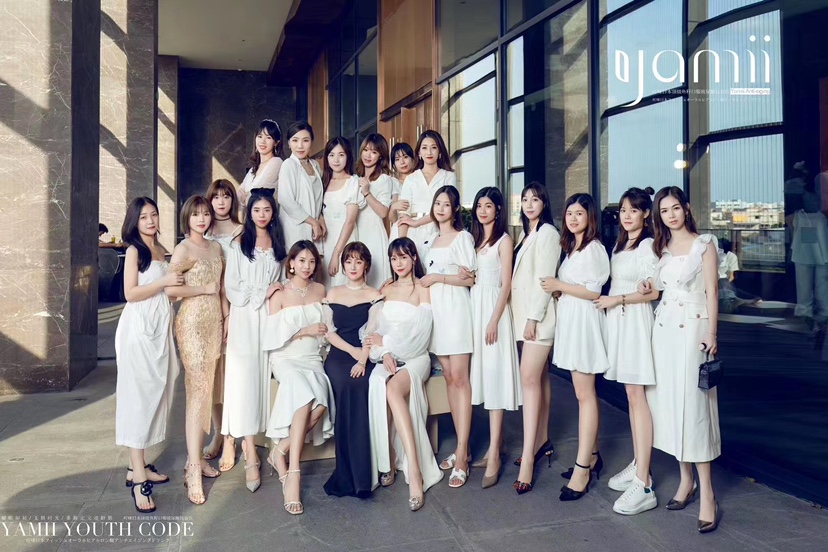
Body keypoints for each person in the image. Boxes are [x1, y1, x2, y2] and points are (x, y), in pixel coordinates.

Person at [643, 186, 721, 534]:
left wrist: (712, 333)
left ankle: (708, 493)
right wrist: (646, 285)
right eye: (664, 211)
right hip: (663, 330)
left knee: (694, 405)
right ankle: (685, 480)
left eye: (675, 208)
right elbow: (657, 288)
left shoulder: (704, 244)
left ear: (686, 209)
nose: (671, 215)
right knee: (671, 404)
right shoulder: (661, 248)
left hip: (693, 328)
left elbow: (712, 291)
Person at [594, 187, 659, 515]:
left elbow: (652, 291)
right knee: (633, 397)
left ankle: (644, 482)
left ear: (646, 214)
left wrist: (617, 299)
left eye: (634, 210)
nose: (627, 215)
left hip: (634, 322)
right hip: (620, 321)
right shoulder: (620, 244)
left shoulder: (647, 245)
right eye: (623, 210)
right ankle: (638, 463)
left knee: (637, 396)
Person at [365, 238, 444, 511]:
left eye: (403, 257)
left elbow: (419, 337)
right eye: (394, 258)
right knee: (375, 383)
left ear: (413, 258)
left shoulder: (423, 289)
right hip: (388, 356)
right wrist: (384, 352)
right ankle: (387, 459)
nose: (398, 263)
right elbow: (372, 332)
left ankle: (415, 471)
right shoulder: (386, 289)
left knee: (392, 389)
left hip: (415, 358)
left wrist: (387, 344)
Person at [115, 197, 182, 513]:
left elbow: (166, 289)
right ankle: (138, 479)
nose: (151, 221)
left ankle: (136, 465)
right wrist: (165, 281)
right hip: (139, 327)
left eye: (154, 214)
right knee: (138, 397)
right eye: (144, 217)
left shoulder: (161, 247)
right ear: (135, 221)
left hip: (159, 325)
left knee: (159, 390)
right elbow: (130, 293)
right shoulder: (134, 251)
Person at [542, 193, 611, 502]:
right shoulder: (573, 248)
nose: (572, 218)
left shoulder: (594, 248)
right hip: (573, 320)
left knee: (585, 395)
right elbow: (576, 287)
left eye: (579, 213)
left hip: (585, 324)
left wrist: (559, 286)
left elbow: (593, 290)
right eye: (569, 213)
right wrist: (562, 291)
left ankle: (583, 469)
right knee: (582, 393)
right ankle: (592, 456)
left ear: (590, 217)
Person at [222, 189, 286, 493]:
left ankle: (269, 442)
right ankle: (249, 453)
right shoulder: (239, 243)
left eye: (267, 210)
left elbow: (282, 281)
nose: (262, 215)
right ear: (249, 213)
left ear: (273, 213)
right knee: (245, 379)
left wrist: (275, 292)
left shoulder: (278, 243)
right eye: (257, 210)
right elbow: (232, 286)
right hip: (246, 316)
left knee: (265, 376)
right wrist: (263, 292)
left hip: (269, 317)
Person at [263, 241, 334, 515]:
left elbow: (327, 330)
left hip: (312, 358)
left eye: (312, 261)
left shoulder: (320, 290)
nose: (307, 266)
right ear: (291, 263)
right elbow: (271, 338)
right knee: (304, 396)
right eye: (301, 260)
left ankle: (279, 451)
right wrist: (305, 330)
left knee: (322, 403)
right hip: (286, 358)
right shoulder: (279, 294)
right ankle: (294, 472)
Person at [166, 196, 224, 505]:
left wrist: (225, 319)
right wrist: (202, 289)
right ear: (187, 218)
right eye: (196, 215)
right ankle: (192, 468)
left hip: (214, 324)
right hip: (191, 324)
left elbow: (222, 288)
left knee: (208, 391)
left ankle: (198, 457)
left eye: (205, 214)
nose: (202, 219)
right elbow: (171, 289)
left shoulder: (215, 248)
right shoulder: (183, 249)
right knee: (198, 392)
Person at [421, 185, 476, 488]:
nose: (441, 208)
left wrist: (439, 277)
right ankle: (460, 446)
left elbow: (470, 278)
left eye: (446, 204)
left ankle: (463, 453)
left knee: (461, 378)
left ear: (455, 209)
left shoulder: (462, 237)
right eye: (437, 203)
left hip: (456, 310)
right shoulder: (430, 239)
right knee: (450, 379)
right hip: (437, 313)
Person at [468, 187, 521, 489]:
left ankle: (494, 457)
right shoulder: (473, 240)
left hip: (493, 313)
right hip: (476, 309)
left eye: (488, 205)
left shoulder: (504, 241)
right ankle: (495, 446)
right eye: (479, 205)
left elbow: (506, 284)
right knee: (484, 378)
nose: (483, 210)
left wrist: (494, 319)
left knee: (495, 378)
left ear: (498, 209)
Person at [321, 242, 383, 498]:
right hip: (339, 356)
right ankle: (346, 473)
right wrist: (353, 353)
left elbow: (373, 332)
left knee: (360, 384)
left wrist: (363, 359)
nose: (353, 266)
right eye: (348, 261)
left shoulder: (375, 295)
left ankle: (362, 478)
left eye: (358, 261)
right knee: (345, 384)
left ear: (366, 265)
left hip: (365, 356)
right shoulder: (333, 293)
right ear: (343, 265)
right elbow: (329, 333)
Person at [511, 182, 559, 494]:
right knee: (539, 379)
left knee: (528, 379)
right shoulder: (526, 234)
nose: (529, 204)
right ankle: (541, 440)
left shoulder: (548, 233)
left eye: (536, 199)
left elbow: (545, 280)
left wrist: (533, 318)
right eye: (525, 199)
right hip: (526, 319)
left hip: (538, 320)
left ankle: (528, 457)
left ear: (544, 203)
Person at [203, 179, 244, 467]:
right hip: (207, 308)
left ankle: (231, 438)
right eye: (216, 197)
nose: (220, 202)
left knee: (231, 376)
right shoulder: (202, 231)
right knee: (212, 376)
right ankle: (218, 432)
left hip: (235, 308)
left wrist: (229, 312)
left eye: (226, 196)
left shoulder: (241, 231)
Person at [391, 130, 456, 258]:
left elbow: (449, 207)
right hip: (414, 234)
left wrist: (417, 222)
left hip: (439, 230)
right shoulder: (411, 179)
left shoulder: (448, 177)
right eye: (424, 148)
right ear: (419, 153)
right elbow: (404, 215)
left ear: (440, 151)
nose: (429, 152)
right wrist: (402, 245)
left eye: (433, 147)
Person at [277, 121, 326, 254]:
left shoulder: (315, 165)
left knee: (314, 262)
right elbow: (285, 199)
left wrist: (320, 217)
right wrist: (313, 222)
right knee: (298, 260)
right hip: (296, 228)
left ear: (311, 142)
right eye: (295, 140)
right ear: (288, 143)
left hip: (315, 228)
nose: (300, 146)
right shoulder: (288, 165)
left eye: (305, 140)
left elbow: (319, 198)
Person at [355, 134, 395, 288]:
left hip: (374, 233)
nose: (368, 155)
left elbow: (383, 212)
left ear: (380, 156)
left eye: (374, 152)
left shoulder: (384, 179)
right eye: (365, 150)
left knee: (375, 282)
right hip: (356, 232)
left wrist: (367, 193)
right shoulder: (355, 177)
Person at [321, 137, 361, 287]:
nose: (336, 160)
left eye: (341, 155)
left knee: (341, 285)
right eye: (331, 155)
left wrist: (337, 253)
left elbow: (350, 221)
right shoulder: (323, 181)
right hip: (325, 241)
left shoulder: (353, 182)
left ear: (348, 156)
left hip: (344, 241)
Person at [239, 119, 283, 209]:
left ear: (276, 142)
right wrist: (245, 196)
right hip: (250, 216)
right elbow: (239, 192)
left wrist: (246, 196)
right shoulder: (253, 169)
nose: (262, 141)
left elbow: (257, 196)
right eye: (259, 136)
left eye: (268, 137)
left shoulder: (276, 162)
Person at [388, 142, 416, 231]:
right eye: (397, 159)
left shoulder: (419, 180)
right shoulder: (392, 183)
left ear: (413, 159)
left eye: (405, 157)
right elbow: (392, 219)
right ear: (394, 164)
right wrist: (393, 207)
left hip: (418, 226)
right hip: (399, 227)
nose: (402, 162)